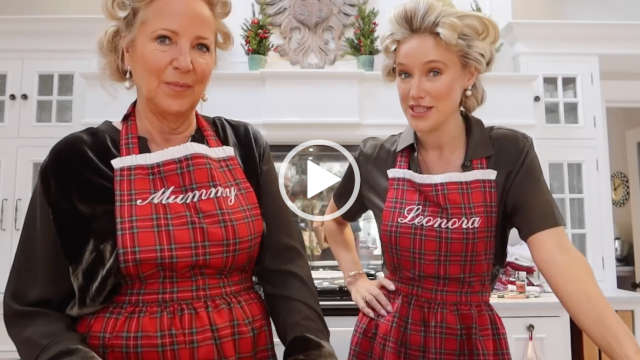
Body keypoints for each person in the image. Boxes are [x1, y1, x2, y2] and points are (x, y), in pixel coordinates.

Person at [3, 0, 336, 359]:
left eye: (201, 46)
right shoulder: (79, 159)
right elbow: (33, 308)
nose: (185, 62)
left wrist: (311, 350)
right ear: (127, 51)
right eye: (164, 39)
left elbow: (287, 274)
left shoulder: (243, 146)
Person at [324, 0, 640, 359]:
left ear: (469, 74)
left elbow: (559, 258)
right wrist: (355, 279)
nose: (415, 92)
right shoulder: (374, 157)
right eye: (404, 73)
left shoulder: (508, 154)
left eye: (434, 72)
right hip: (391, 337)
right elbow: (333, 223)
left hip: (469, 339)